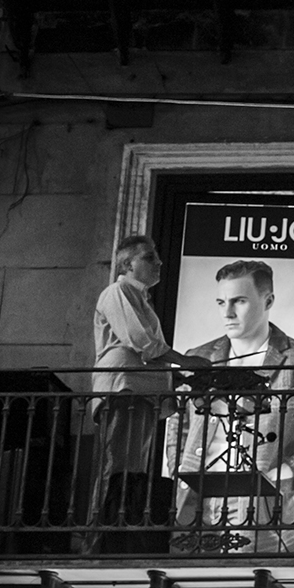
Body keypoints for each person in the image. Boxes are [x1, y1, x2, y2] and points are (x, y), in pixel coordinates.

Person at [89, 234, 211, 553]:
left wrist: (182, 379)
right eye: (149, 257)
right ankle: (97, 540)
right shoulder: (117, 292)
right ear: (128, 264)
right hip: (124, 389)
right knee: (117, 466)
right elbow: (141, 342)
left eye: (156, 256)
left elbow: (150, 352)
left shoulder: (141, 299)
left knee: (134, 470)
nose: (158, 262)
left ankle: (119, 536)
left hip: (141, 392)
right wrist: (185, 362)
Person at [173, 260, 294, 554]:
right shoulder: (200, 356)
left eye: (239, 301)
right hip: (196, 501)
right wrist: (178, 471)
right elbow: (177, 425)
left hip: (266, 505)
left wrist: (285, 474)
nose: (227, 312)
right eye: (221, 302)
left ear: (268, 300)